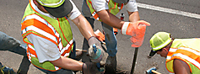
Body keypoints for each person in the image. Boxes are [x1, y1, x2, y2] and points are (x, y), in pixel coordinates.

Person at [20, 0, 107, 74]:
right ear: (35, 2)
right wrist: (84, 67)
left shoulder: (56, 2)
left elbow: (78, 19)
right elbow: (56, 60)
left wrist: (92, 39)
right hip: (53, 65)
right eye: (54, 10)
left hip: (65, 49)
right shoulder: (35, 28)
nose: (59, 12)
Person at [81, 0, 150, 73]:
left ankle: (111, 58)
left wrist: (135, 26)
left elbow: (133, 12)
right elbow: (105, 17)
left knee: (109, 35)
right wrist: (128, 28)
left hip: (107, 12)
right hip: (90, 8)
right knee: (88, 34)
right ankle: (87, 61)